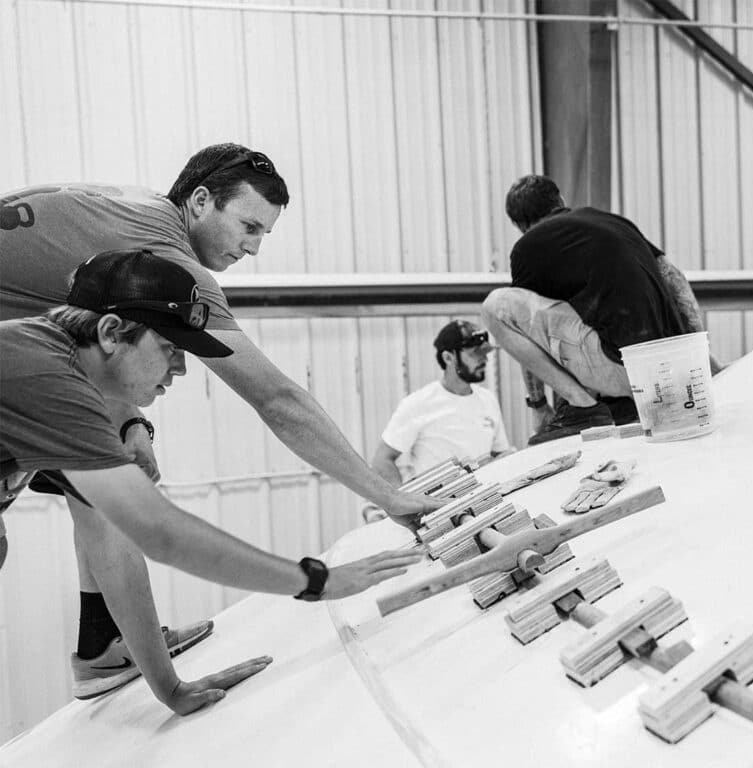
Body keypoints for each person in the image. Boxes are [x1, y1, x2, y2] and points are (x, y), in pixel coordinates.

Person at [0, 144, 440, 705]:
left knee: (107, 473)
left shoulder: (128, 213)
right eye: (249, 226)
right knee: (113, 485)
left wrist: (131, 419)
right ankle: (106, 645)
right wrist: (381, 500)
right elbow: (277, 400)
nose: (253, 248)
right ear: (202, 201)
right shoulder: (173, 266)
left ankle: (103, 643)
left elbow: (86, 332)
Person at [481, 174, 716, 445]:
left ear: (519, 224)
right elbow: (673, 277)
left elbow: (525, 328)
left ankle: (582, 407)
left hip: (625, 371)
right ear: (561, 200)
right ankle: (614, 401)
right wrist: (703, 359)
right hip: (677, 370)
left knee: (495, 307)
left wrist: (537, 405)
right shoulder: (615, 222)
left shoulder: (528, 248)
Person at [370, 320, 514, 488]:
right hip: (438, 505)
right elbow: (382, 460)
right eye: (475, 353)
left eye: (485, 352)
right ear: (448, 357)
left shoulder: (488, 400)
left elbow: (499, 454)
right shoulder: (418, 404)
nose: (484, 360)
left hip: (483, 501)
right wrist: (402, 502)